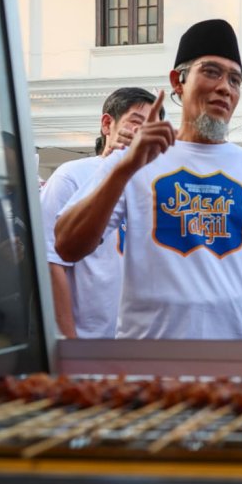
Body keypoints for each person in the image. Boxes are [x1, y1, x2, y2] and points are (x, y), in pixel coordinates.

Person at [55, 19, 242, 340]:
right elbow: (66, 245)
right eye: (211, 72)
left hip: (236, 358)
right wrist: (125, 168)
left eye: (235, 79)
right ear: (178, 81)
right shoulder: (135, 159)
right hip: (150, 360)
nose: (224, 87)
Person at [41, 87, 161, 338]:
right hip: (87, 339)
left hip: (136, 341)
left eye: (151, 128)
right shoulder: (71, 175)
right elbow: (51, 263)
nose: (143, 134)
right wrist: (70, 344)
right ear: (108, 124)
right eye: (136, 123)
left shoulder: (154, 184)